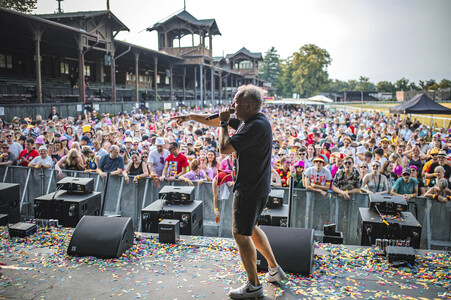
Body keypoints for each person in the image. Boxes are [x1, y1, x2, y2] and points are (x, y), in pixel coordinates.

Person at [171, 85, 286, 299]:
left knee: (240, 234)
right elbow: (211, 119)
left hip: (249, 188)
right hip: (258, 186)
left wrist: (224, 123)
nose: (232, 106)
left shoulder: (255, 126)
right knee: (250, 228)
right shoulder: (251, 120)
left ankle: (254, 285)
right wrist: (189, 117)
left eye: (236, 103)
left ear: (249, 106)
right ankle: (274, 269)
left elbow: (224, 148)